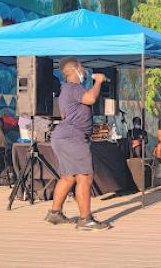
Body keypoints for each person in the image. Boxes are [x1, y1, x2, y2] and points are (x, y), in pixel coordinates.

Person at [46, 56, 109, 231]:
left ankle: (55, 213)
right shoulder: (73, 88)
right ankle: (85, 219)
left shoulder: (66, 89)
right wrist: (98, 82)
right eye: (82, 68)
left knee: (68, 177)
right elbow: (90, 99)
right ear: (75, 70)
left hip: (64, 137)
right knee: (84, 176)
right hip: (73, 138)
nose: (84, 71)